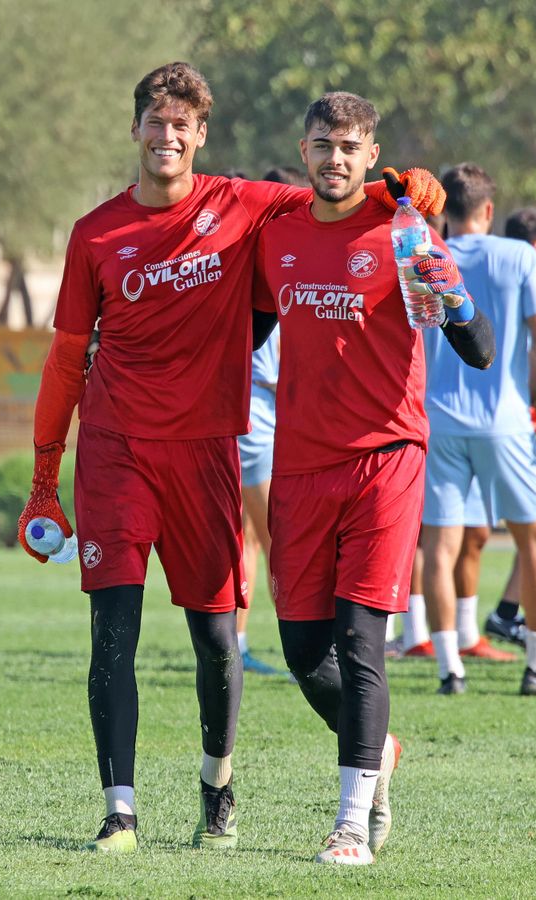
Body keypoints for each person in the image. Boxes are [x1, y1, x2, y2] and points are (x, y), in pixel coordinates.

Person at [16, 62, 439, 854]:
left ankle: (218, 784)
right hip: (115, 451)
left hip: (208, 451)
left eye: (183, 124)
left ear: (201, 135)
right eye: (155, 121)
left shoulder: (245, 204)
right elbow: (66, 359)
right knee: (113, 629)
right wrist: (46, 477)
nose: (167, 136)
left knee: (218, 640)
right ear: (135, 128)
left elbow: (337, 194)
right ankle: (120, 811)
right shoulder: (94, 234)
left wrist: (404, 187)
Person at [253, 91, 491, 864]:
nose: (336, 159)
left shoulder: (400, 231)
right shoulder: (277, 236)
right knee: (301, 654)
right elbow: (241, 331)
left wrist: (437, 270)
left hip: (387, 458)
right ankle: (379, 752)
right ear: (304, 149)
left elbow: (479, 347)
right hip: (297, 465)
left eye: (351, 147)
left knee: (362, 644)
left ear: (370, 153)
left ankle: (350, 822)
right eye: (324, 144)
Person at [419, 164, 536, 696]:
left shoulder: (423, 255)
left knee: (439, 547)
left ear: (443, 211)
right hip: (504, 421)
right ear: (489, 210)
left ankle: (449, 670)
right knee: (535, 539)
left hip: (437, 419)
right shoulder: (519, 255)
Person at [481, 207, 536, 646]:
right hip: (505, 421)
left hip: (465, 418)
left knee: (450, 534)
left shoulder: (478, 267)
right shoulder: (523, 273)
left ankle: (491, 620)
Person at [234, 165, 306, 679]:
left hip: (249, 427)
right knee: (281, 542)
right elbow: (273, 374)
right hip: (257, 430)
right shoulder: (268, 278)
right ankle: (303, 643)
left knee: (246, 542)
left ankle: (236, 644)